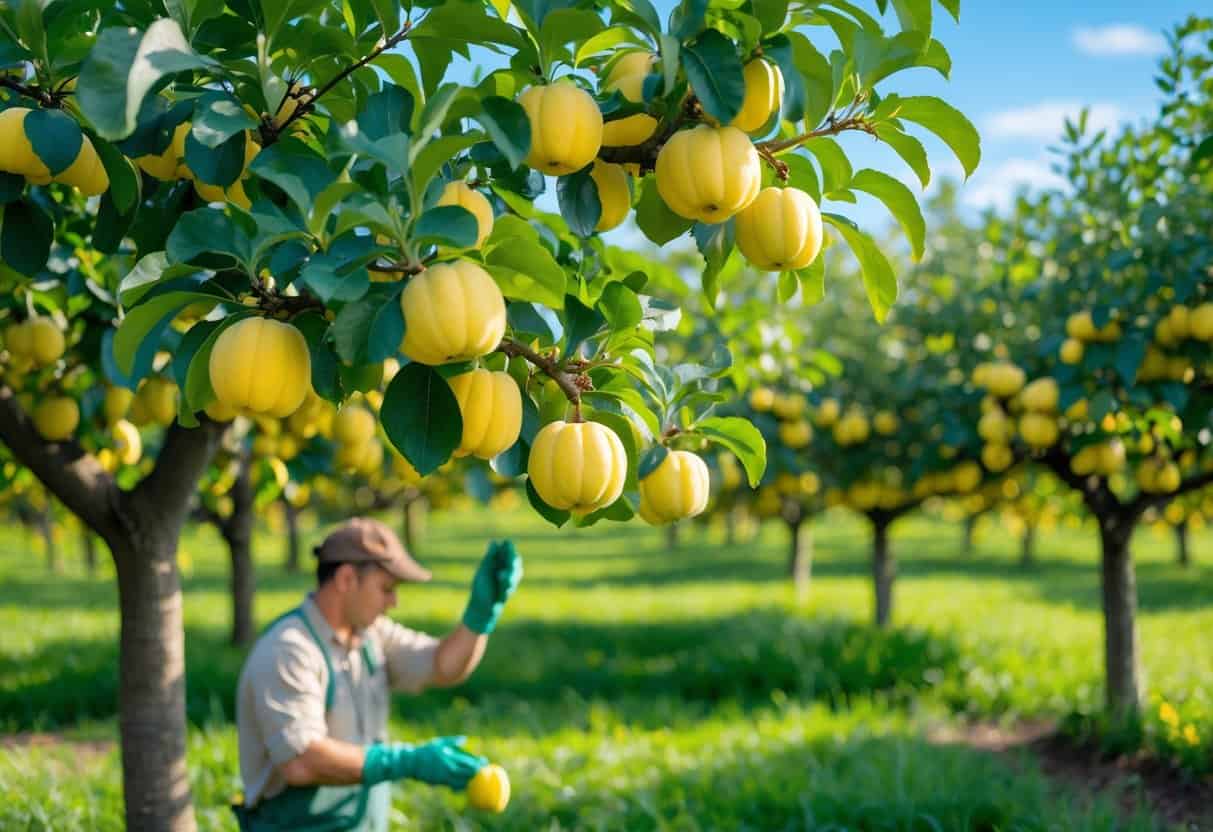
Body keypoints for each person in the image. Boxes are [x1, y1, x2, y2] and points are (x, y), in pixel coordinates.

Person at [232, 516, 523, 831]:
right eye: (386, 588)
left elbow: (443, 666)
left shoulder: (370, 636)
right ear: (346, 579)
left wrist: (480, 616)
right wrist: (406, 762)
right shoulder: (290, 650)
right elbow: (301, 761)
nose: (393, 601)